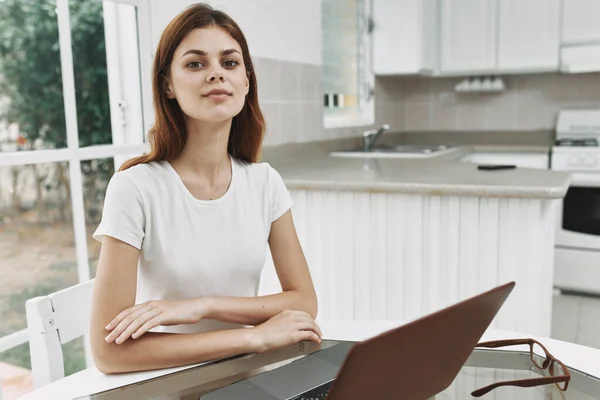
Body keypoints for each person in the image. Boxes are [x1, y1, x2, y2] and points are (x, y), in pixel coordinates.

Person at [89, 3, 321, 374]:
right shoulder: (134, 187)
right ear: (167, 84)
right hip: (165, 380)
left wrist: (204, 306)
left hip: (244, 379)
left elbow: (304, 301)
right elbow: (108, 353)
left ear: (246, 80)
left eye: (229, 63)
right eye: (196, 64)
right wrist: (251, 338)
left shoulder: (264, 182)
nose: (216, 74)